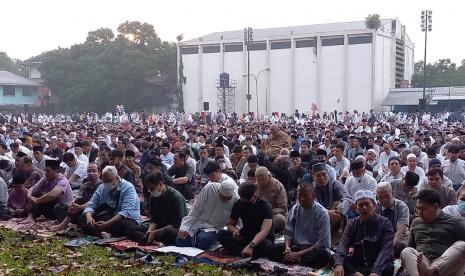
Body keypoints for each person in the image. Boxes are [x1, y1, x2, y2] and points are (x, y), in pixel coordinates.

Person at [266, 182, 331, 269]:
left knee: (324, 255)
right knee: (267, 246)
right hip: (296, 247)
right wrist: (287, 248)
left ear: (313, 196)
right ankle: (294, 259)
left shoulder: (322, 213)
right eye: (299, 196)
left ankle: (297, 260)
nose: (302, 199)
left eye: (306, 196)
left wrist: (298, 254)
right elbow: (288, 233)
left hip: (311, 250)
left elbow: (322, 243)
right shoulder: (295, 209)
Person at [400, 189, 465, 276]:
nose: (419, 213)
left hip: (446, 268)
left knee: (462, 245)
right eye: (418, 209)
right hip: (422, 265)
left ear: (436, 206)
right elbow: (410, 247)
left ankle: (432, 271)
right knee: (406, 251)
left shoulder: (455, 223)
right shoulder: (415, 222)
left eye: (423, 209)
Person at [334, 190, 394, 276]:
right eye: (360, 205)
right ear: (356, 208)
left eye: (367, 204)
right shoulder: (352, 223)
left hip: (378, 265)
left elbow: (386, 250)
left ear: (374, 206)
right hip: (359, 264)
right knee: (335, 259)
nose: (364, 208)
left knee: (388, 267)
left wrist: (376, 271)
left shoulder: (385, 223)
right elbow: (343, 244)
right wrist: (339, 264)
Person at [176, 167, 238, 250]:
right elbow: (195, 209)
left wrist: (236, 232)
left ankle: (194, 240)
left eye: (227, 198)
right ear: (218, 191)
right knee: (180, 240)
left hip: (214, 228)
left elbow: (237, 220)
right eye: (222, 197)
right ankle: (193, 239)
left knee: (203, 241)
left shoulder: (235, 199)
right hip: (198, 222)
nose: (224, 200)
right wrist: (185, 227)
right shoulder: (210, 188)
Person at [128, 173, 187, 246]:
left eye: (152, 189)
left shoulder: (176, 197)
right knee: (131, 229)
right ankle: (154, 242)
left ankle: (150, 239)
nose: (151, 191)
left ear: (161, 184)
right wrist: (149, 232)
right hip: (159, 227)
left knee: (170, 235)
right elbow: (154, 220)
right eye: (149, 190)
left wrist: (155, 232)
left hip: (171, 229)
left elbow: (178, 223)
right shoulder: (153, 197)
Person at [79, 166, 140, 237]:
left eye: (109, 180)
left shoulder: (128, 188)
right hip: (110, 216)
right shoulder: (102, 187)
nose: (107, 183)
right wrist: (89, 217)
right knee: (83, 218)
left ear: (117, 178)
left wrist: (106, 224)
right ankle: (103, 233)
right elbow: (91, 204)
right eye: (104, 181)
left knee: (125, 226)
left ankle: (105, 233)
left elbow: (125, 212)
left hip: (126, 218)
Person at [218, 182, 274, 259]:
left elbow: (264, 231)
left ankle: (237, 251)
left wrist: (251, 245)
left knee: (269, 247)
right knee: (221, 234)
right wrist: (235, 231)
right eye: (243, 200)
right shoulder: (239, 204)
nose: (244, 202)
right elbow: (230, 225)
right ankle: (243, 252)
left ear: (254, 195)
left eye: (247, 200)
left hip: (260, 239)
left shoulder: (265, 206)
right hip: (245, 236)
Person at [50, 163, 102, 231]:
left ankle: (66, 224)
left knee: (82, 218)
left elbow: (96, 202)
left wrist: (80, 207)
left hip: (93, 211)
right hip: (79, 210)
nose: (91, 173)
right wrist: (73, 205)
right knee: (59, 207)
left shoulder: (102, 186)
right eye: (89, 171)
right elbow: (78, 198)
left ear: (99, 173)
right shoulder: (85, 185)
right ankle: (70, 224)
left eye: (94, 171)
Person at [23, 159, 73, 223]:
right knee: (36, 193)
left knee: (55, 203)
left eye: (48, 171)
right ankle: (30, 217)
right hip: (51, 206)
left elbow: (53, 195)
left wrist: (37, 200)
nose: (45, 173)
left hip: (62, 208)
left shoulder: (62, 181)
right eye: (45, 170)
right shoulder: (46, 178)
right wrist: (29, 196)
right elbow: (34, 188)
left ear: (56, 170)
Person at [376, 182, 409, 257]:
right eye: (380, 197)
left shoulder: (402, 206)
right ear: (377, 196)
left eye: (387, 196)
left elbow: (400, 232)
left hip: (399, 239)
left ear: (393, 193)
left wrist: (387, 247)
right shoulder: (375, 206)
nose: (384, 200)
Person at [255, 166, 288, 233]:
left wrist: (268, 212)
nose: (260, 182)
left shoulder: (278, 186)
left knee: (279, 219)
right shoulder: (256, 186)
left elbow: (283, 209)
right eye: (259, 180)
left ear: (269, 176)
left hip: (274, 215)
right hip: (260, 215)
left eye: (263, 179)